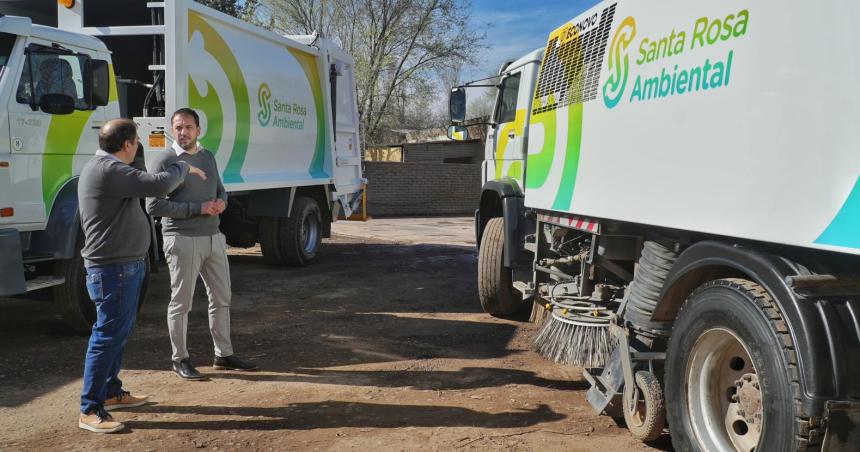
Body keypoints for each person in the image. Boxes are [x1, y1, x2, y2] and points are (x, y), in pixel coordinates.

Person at [78, 118, 207, 433]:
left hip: (123, 265)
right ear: (126, 145)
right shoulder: (110, 170)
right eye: (136, 141)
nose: (138, 146)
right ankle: (89, 409)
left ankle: (110, 392)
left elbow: (145, 179)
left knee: (117, 333)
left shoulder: (110, 169)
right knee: (107, 335)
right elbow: (160, 184)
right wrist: (184, 166)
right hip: (114, 268)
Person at [147, 108, 257, 381]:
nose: (182, 132)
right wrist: (199, 207)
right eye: (177, 127)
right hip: (181, 239)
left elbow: (220, 189)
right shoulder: (164, 160)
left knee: (222, 298)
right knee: (181, 303)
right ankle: (180, 359)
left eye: (187, 127)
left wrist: (222, 202)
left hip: (213, 238)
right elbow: (154, 205)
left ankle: (224, 355)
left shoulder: (207, 156)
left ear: (198, 130)